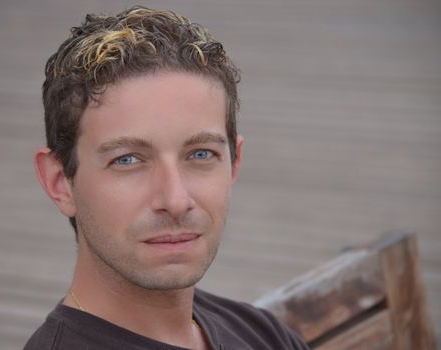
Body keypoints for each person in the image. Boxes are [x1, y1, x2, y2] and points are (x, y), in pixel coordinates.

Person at [24, 6, 309, 350]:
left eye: (201, 154)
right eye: (127, 160)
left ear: (234, 162)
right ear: (59, 182)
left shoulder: (262, 334)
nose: (175, 201)